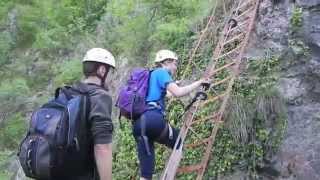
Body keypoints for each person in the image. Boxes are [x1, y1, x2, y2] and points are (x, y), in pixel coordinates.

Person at [132, 49, 210, 180]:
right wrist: (199, 83)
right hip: (152, 120)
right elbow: (178, 93)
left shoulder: (150, 76)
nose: (175, 67)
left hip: (139, 125)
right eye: (174, 63)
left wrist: (174, 85)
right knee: (178, 140)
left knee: (146, 173)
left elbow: (165, 95)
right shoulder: (162, 72)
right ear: (166, 62)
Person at [73, 48, 116, 180]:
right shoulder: (100, 96)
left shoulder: (70, 92)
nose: (112, 77)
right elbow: (102, 147)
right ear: (102, 70)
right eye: (111, 72)